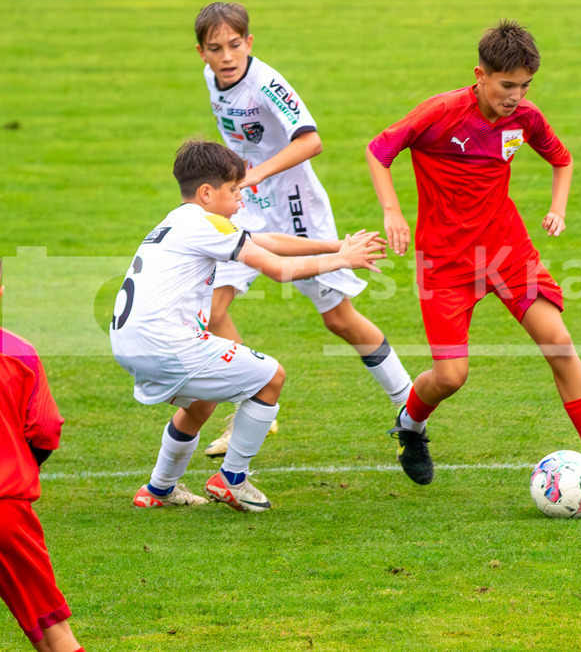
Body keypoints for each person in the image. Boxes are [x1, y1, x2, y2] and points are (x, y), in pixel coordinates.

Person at [365, 19, 581, 490]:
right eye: (507, 85)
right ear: (479, 75)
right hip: (444, 263)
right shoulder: (441, 113)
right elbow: (378, 151)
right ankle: (410, 425)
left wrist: (557, 208)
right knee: (451, 376)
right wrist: (393, 212)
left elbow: (562, 160)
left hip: (506, 251)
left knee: (559, 344)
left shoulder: (526, 118)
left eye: (524, 86)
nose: (516, 95)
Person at [111, 140, 386, 512]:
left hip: (130, 343)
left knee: (202, 401)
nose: (242, 197)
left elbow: (266, 240)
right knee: (271, 376)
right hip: (167, 343)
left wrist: (337, 245)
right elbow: (277, 268)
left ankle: (158, 490)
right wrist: (342, 260)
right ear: (207, 193)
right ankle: (231, 479)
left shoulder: (181, 220)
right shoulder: (206, 224)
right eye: (234, 189)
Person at [194, 2, 413, 457]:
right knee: (212, 308)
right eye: (216, 49)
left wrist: (256, 173)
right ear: (202, 53)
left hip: (297, 209)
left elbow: (311, 140)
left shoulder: (267, 83)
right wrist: (241, 183)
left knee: (339, 318)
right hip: (247, 208)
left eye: (235, 45)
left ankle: (409, 406)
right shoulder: (211, 79)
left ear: (249, 43)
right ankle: (249, 402)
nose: (227, 56)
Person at [0, 264, 85, 651]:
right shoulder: (19, 353)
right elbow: (45, 431)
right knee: (53, 633)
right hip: (7, 512)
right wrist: (19, 464)